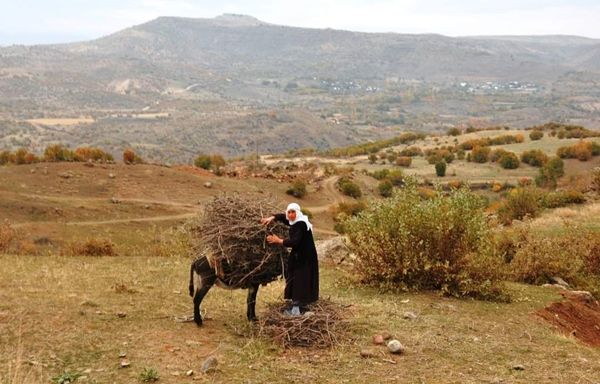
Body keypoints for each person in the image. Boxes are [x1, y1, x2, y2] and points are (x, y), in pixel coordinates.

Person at [261, 203, 319, 316]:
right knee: (298, 278)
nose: (291, 214)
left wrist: (278, 240)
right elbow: (284, 218)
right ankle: (299, 305)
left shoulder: (300, 224)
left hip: (304, 258)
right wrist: (272, 217)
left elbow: (295, 242)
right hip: (302, 256)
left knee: (300, 280)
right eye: (289, 212)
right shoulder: (296, 221)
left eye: (293, 212)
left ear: (297, 212)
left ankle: (297, 309)